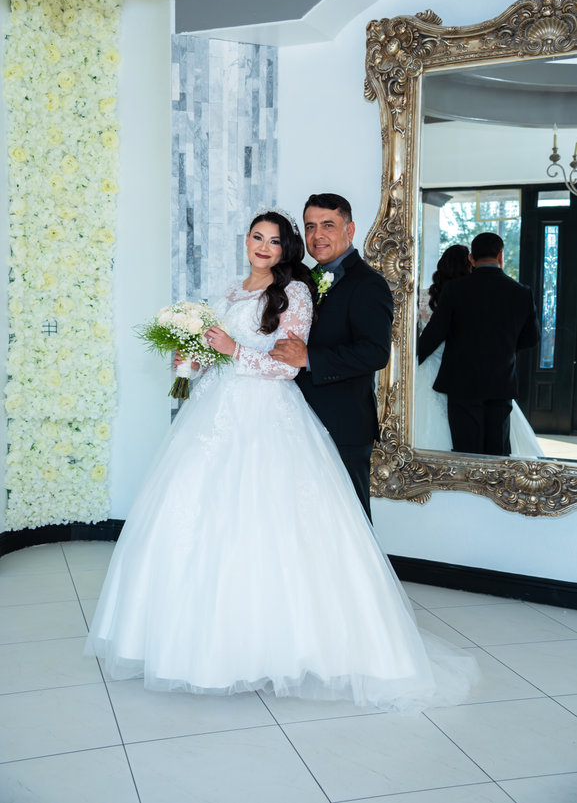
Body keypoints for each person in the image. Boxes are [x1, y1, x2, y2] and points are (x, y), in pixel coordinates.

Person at [85, 207, 477, 711]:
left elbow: (285, 368)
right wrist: (192, 359)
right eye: (256, 237)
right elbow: (214, 354)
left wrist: (230, 350)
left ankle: (285, 646)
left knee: (271, 524)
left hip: (270, 417)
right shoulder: (228, 291)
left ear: (285, 248)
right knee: (198, 519)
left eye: (274, 240)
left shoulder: (293, 294)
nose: (264, 246)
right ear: (246, 241)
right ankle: (193, 643)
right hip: (212, 416)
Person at [270, 193, 393, 521]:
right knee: (307, 517)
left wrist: (309, 358)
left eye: (328, 225)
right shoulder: (300, 282)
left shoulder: (369, 284)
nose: (317, 235)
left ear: (349, 231)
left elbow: (375, 352)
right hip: (298, 419)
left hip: (344, 424)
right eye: (310, 227)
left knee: (350, 522)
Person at [418, 233, 540, 456]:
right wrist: (503, 348)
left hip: (462, 383)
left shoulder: (455, 289)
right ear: (501, 256)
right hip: (500, 381)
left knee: (466, 453)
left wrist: (409, 363)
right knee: (497, 452)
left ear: (472, 258)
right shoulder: (521, 292)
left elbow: (434, 334)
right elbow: (531, 338)